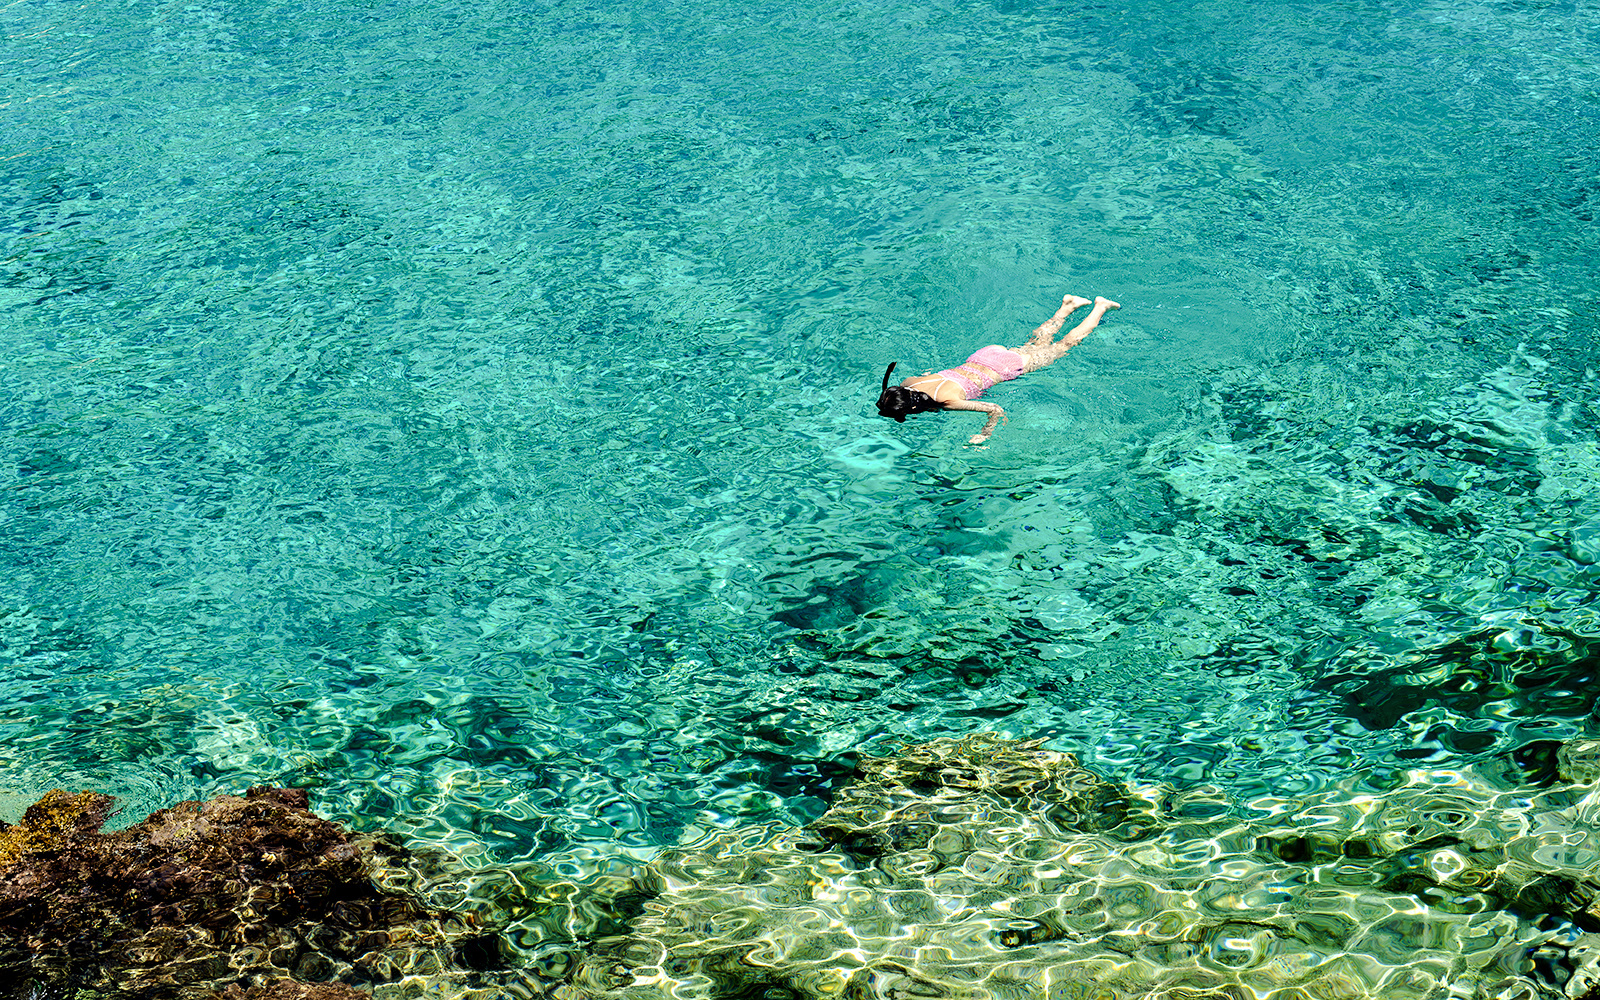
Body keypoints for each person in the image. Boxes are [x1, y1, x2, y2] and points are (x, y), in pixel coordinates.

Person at [876, 295, 1118, 444]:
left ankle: (1100, 307)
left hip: (1003, 367)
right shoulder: (909, 382)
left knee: (1064, 346)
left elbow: (995, 409)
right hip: (983, 356)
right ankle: (1068, 305)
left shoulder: (949, 400)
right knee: (1035, 345)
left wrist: (985, 434)